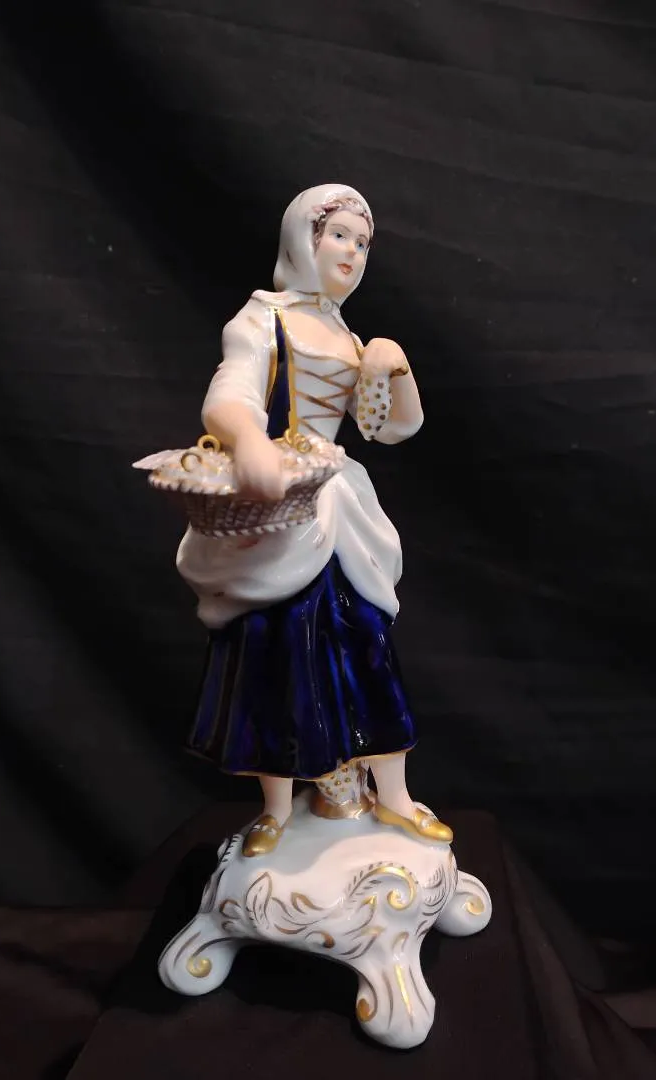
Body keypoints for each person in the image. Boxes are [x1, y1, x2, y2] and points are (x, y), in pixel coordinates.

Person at [177, 184, 452, 856]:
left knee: (365, 639)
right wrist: (248, 441)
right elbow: (230, 395)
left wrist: (393, 364)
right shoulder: (262, 319)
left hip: (340, 506)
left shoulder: (348, 336)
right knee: (274, 648)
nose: (352, 252)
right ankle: (275, 807)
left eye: (363, 242)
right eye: (340, 236)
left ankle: (393, 796)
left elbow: (384, 427)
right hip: (278, 508)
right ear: (305, 238)